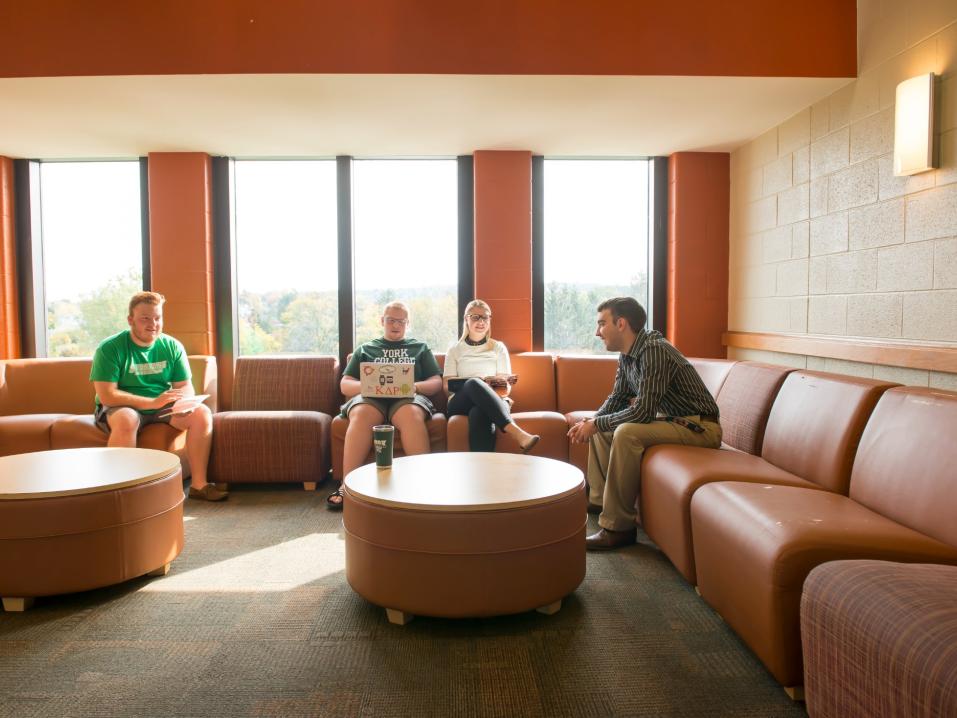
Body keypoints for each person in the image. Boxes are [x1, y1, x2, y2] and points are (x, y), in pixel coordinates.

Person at [567, 297, 721, 550]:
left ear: (621, 323)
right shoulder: (628, 354)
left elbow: (643, 412)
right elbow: (618, 397)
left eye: (601, 324)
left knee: (625, 432)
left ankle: (619, 528)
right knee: (603, 428)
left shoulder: (654, 350)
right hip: (674, 421)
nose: (597, 332)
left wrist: (597, 424)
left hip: (700, 428)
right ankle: (598, 500)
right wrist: (594, 421)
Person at [90, 291, 223, 501]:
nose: (153, 324)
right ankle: (121, 492)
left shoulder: (171, 346)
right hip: (122, 405)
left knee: (202, 414)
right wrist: (152, 402)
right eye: (145, 318)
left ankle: (199, 485)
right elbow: (108, 395)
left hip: (162, 405)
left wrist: (184, 403)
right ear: (130, 320)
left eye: (157, 318)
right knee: (128, 419)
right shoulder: (110, 348)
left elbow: (184, 385)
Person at [327, 301, 442, 510]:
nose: (395, 325)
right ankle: (346, 486)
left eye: (401, 321)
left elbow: (436, 382)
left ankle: (423, 485)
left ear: (408, 324)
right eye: (391, 320)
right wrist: (367, 387)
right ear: (382, 321)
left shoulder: (420, 348)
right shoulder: (365, 349)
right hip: (372, 399)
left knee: (411, 415)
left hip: (408, 398)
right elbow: (345, 384)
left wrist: (414, 387)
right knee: (361, 414)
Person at [443, 300, 540, 453]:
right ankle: (516, 432)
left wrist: (490, 386)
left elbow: (505, 389)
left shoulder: (498, 347)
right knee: (473, 383)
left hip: (495, 399)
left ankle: (483, 469)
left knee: (479, 412)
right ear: (466, 319)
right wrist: (476, 384)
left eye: (485, 317)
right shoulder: (455, 350)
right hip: (460, 402)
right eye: (475, 317)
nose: (481, 321)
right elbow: (446, 387)